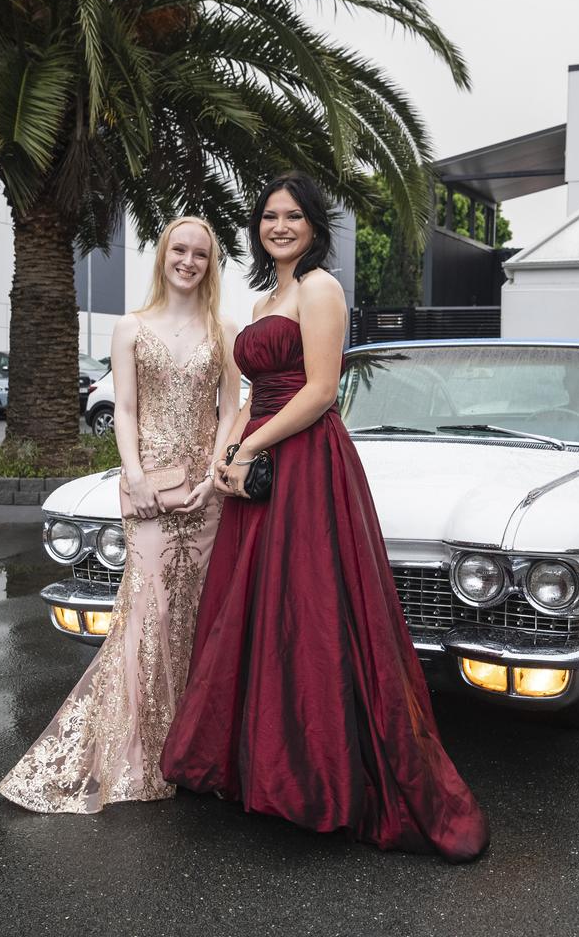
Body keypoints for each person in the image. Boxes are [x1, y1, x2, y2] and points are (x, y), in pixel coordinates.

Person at [160, 174, 489, 861]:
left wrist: (249, 444)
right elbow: (256, 392)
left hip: (307, 463)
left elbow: (318, 390)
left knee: (308, 611)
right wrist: (229, 452)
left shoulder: (319, 289)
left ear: (313, 225)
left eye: (293, 216)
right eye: (268, 216)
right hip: (264, 463)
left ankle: (319, 780)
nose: (279, 226)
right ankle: (261, 768)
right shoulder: (261, 300)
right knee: (258, 612)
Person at [0, 216, 240, 814]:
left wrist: (214, 477)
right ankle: (139, 750)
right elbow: (124, 410)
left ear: (211, 266)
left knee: (197, 617)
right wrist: (132, 475)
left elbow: (232, 409)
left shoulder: (224, 330)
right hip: (150, 495)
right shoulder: (130, 328)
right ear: (162, 257)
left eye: (200, 255)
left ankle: (191, 748)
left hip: (206, 496)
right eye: (179, 251)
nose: (188, 262)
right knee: (147, 614)